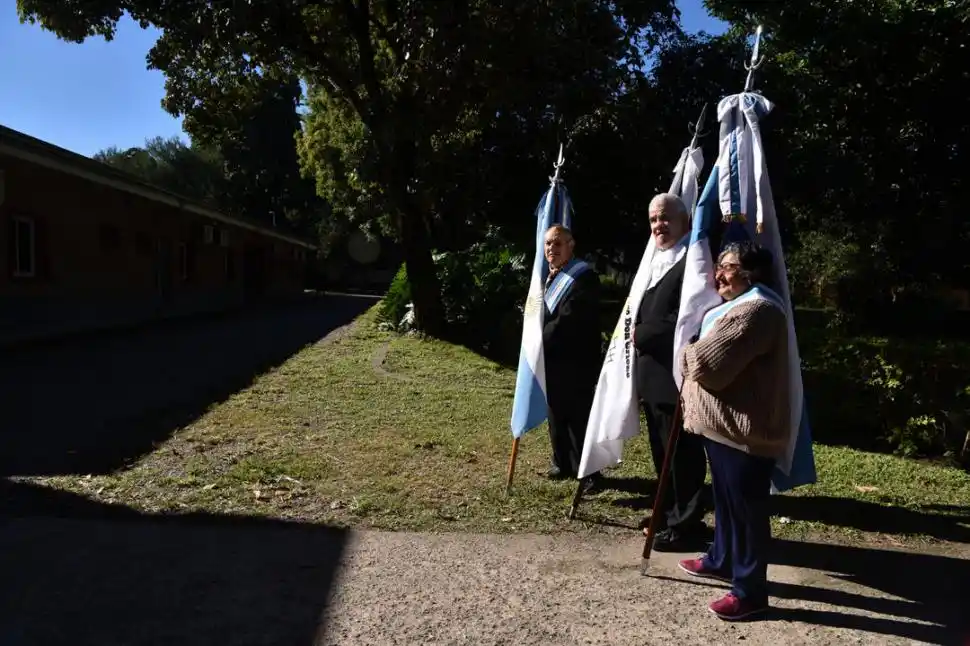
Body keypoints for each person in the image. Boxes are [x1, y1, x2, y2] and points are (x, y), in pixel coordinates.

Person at [676, 241, 791, 621]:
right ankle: (721, 559)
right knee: (726, 504)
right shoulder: (732, 308)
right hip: (723, 430)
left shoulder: (758, 310)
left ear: (751, 272)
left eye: (727, 266)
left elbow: (708, 365)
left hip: (745, 434)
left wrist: (688, 348)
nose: (718, 274)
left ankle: (750, 591)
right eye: (720, 266)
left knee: (746, 513)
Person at [634, 193, 709, 552]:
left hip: (674, 375)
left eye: (664, 218)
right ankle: (667, 512)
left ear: (684, 222)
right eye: (652, 220)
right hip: (652, 377)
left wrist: (640, 334)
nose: (658, 226)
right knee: (662, 452)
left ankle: (688, 524)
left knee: (682, 454)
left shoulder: (691, 264)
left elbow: (681, 319)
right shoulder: (657, 261)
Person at [541, 224, 602, 480]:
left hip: (577, 360)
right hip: (553, 359)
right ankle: (562, 462)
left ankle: (588, 471)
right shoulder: (549, 275)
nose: (551, 248)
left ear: (570, 245)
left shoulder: (583, 277)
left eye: (557, 243)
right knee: (556, 412)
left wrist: (538, 341)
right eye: (548, 244)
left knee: (579, 417)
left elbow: (569, 319)